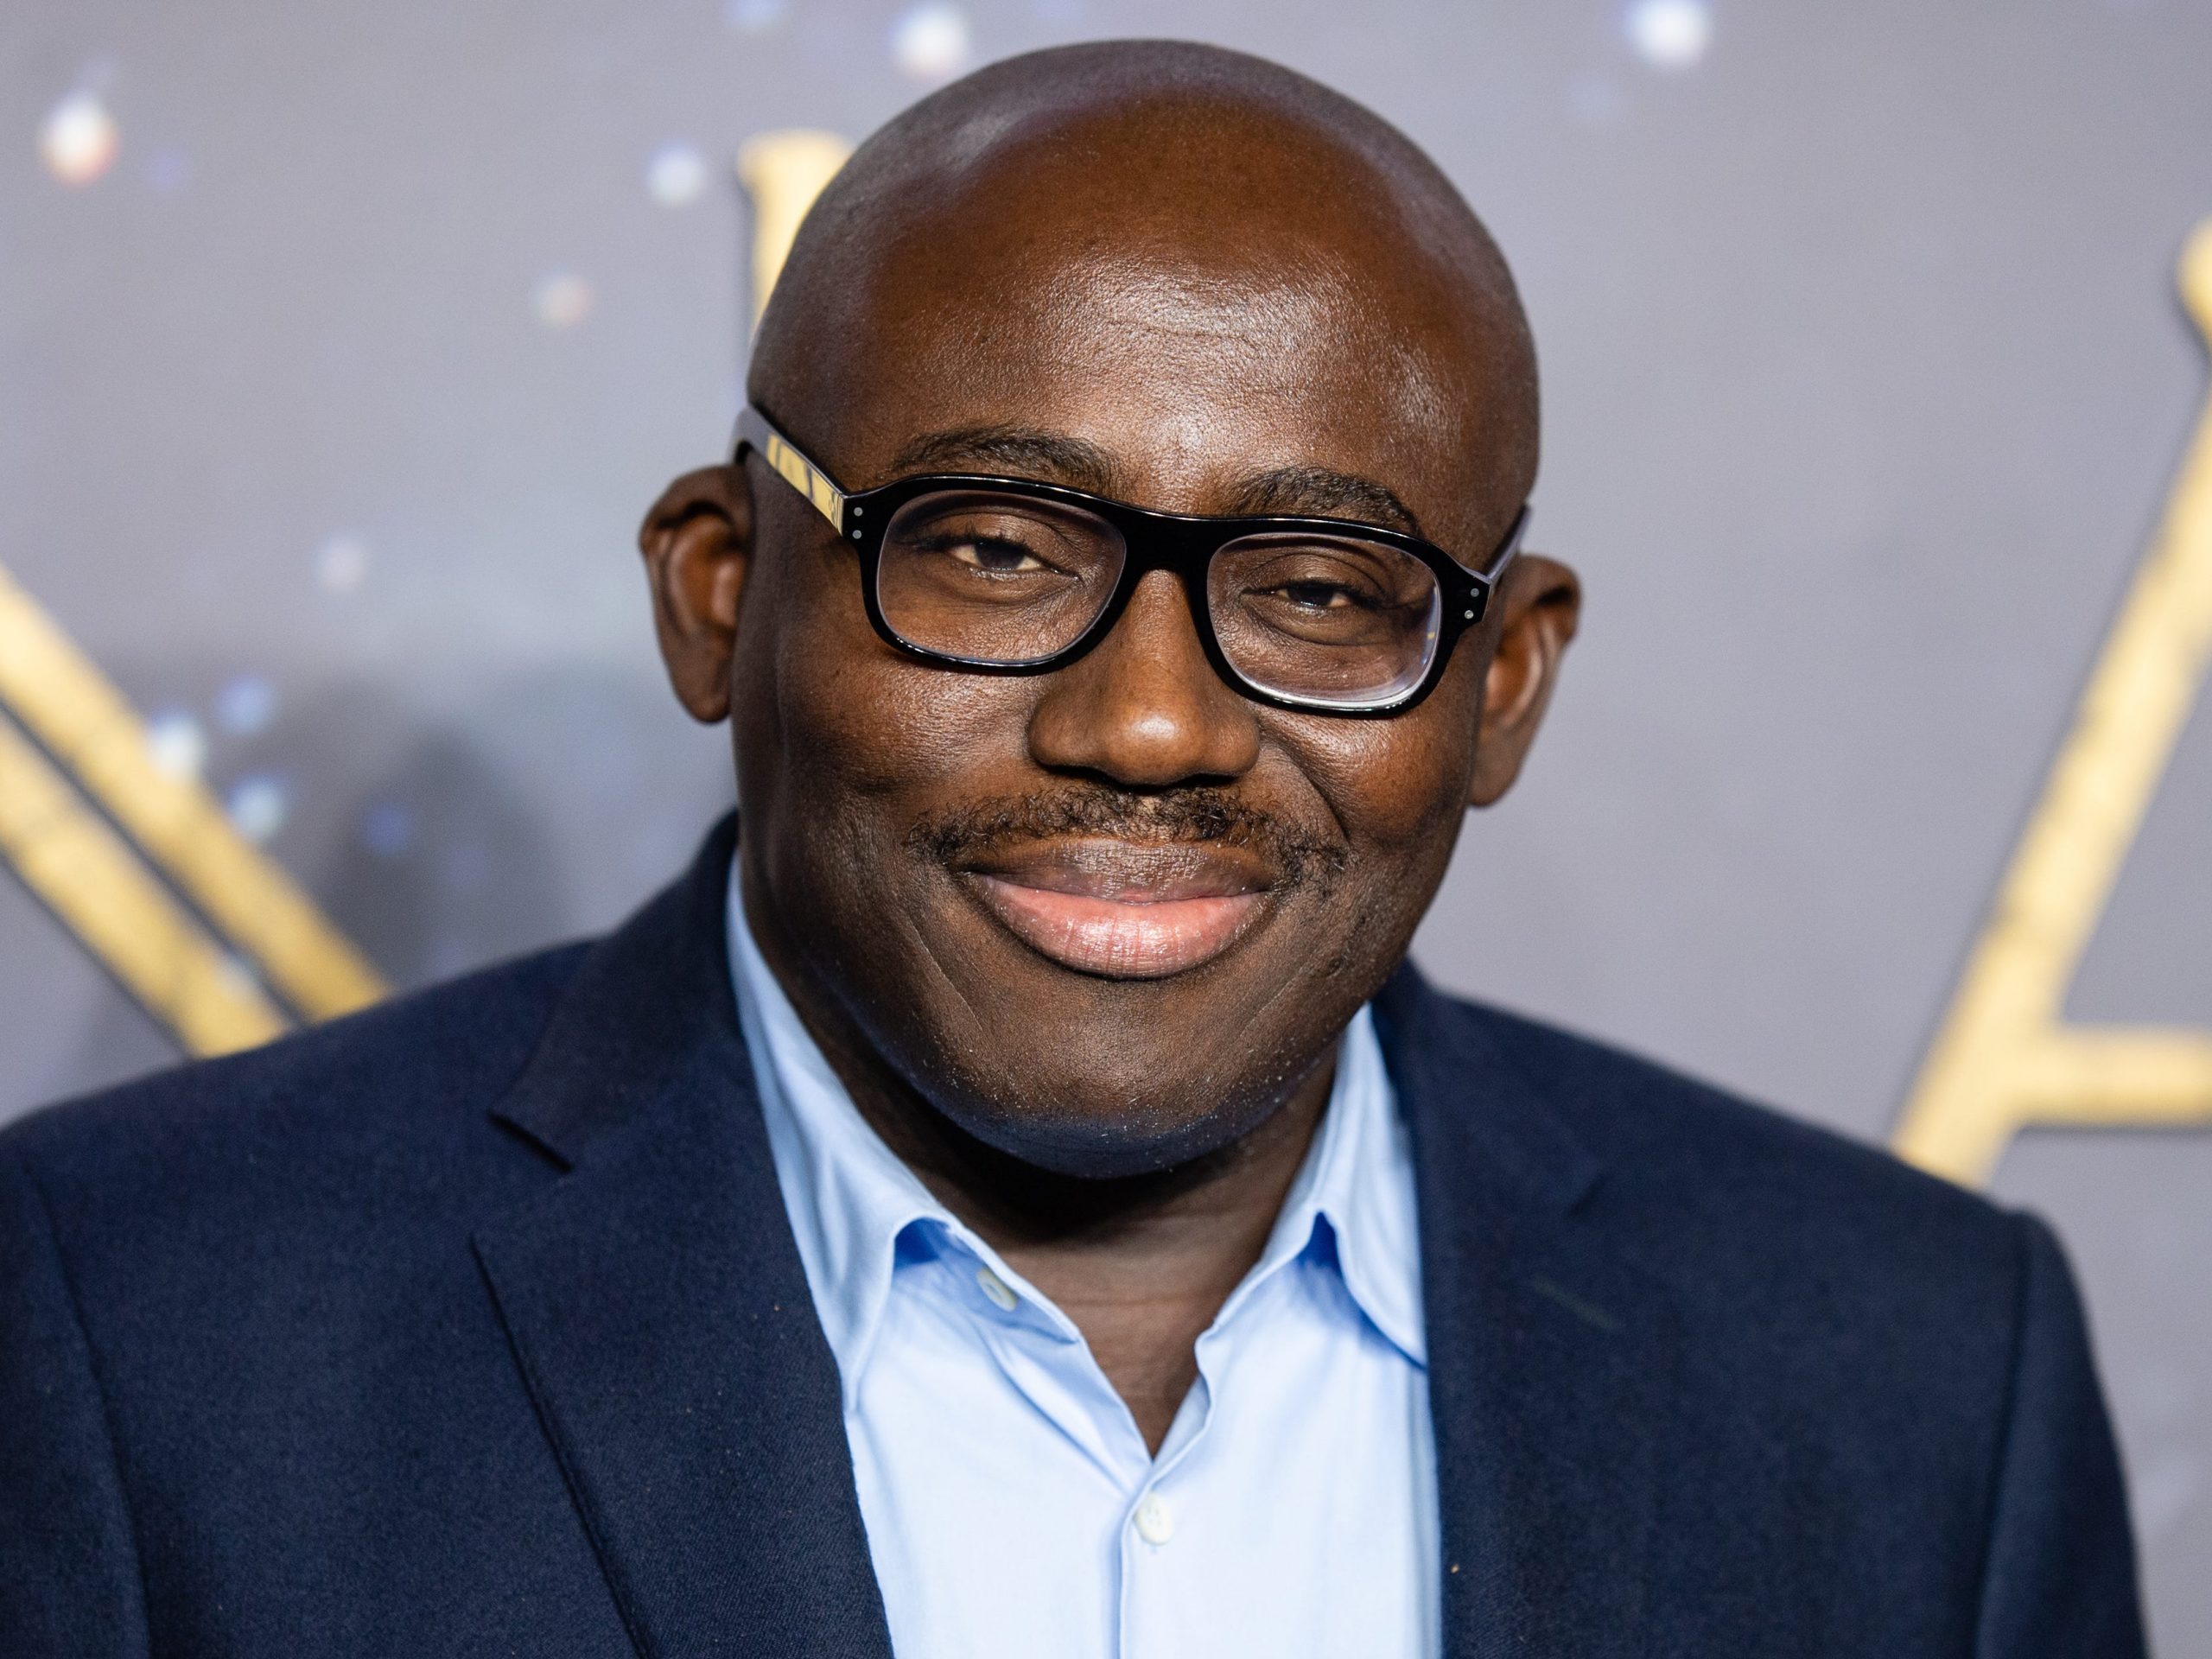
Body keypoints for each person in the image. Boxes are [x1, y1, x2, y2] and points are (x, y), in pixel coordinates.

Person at [0, 40, 2144, 1659]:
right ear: (720, 591)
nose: (1147, 724)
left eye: (1319, 588)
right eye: (998, 548)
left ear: (1500, 689)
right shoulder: (132, 1335)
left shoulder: (1917, 1386)